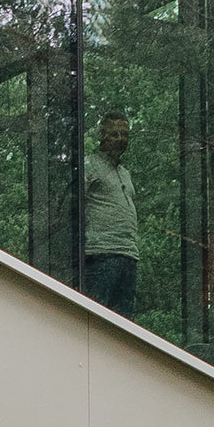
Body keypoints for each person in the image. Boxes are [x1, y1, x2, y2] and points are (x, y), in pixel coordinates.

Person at [82, 107, 143, 312]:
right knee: (98, 317)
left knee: (124, 321)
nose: (120, 139)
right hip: (101, 253)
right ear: (102, 136)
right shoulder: (89, 165)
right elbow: (72, 206)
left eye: (125, 134)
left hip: (128, 253)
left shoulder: (124, 173)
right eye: (114, 134)